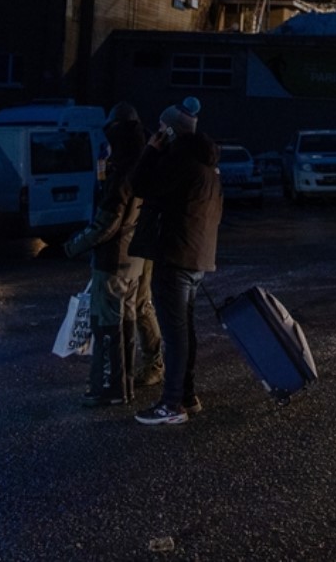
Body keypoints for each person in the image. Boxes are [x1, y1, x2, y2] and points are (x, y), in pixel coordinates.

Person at [128, 96, 221, 426]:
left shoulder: (179, 159)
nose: (158, 132)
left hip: (174, 256)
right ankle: (186, 396)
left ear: (171, 131)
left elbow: (139, 185)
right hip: (197, 259)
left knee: (176, 334)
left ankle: (171, 405)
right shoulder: (206, 164)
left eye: (162, 128)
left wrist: (151, 150)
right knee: (185, 331)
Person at [63, 103, 163, 406]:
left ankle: (110, 389)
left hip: (114, 259)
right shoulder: (145, 160)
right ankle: (124, 385)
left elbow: (107, 222)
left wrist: (74, 245)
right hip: (135, 256)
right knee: (126, 321)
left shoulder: (122, 167)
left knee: (107, 326)